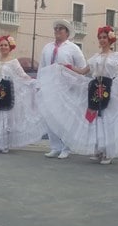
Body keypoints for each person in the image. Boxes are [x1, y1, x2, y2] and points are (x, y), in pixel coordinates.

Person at [37, 26, 118, 164]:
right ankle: (98, 151)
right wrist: (68, 67)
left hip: (109, 89)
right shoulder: (95, 57)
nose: (102, 40)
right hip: (95, 89)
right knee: (96, 121)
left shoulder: (116, 56)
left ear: (110, 39)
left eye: (105, 37)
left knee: (107, 120)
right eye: (100, 38)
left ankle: (108, 153)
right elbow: (83, 71)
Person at [37, 20, 87, 159]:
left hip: (66, 88)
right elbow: (42, 66)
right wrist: (39, 84)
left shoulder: (73, 48)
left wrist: (75, 84)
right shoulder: (47, 47)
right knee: (50, 118)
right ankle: (55, 146)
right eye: (56, 29)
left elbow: (82, 67)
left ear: (67, 32)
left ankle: (66, 147)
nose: (57, 31)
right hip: (49, 87)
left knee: (64, 118)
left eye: (61, 29)